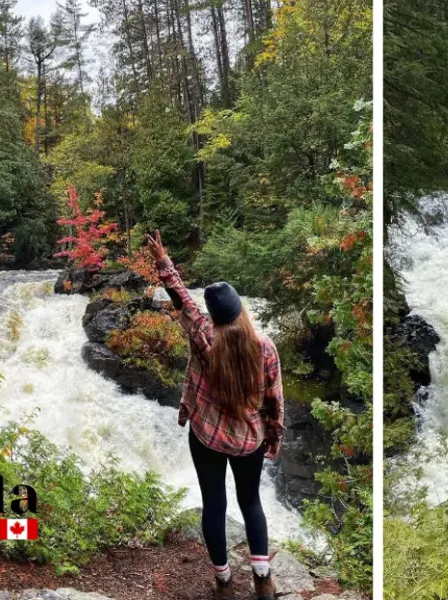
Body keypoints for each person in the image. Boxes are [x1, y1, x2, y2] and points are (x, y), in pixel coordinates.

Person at [146, 231, 284, 600]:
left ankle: (223, 581)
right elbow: (274, 399)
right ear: (240, 310)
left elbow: (181, 300)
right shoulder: (265, 348)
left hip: (206, 434)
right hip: (248, 440)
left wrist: (163, 260)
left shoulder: (205, 335)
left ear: (214, 314)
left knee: (214, 503)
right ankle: (262, 578)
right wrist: (273, 437)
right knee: (250, 501)